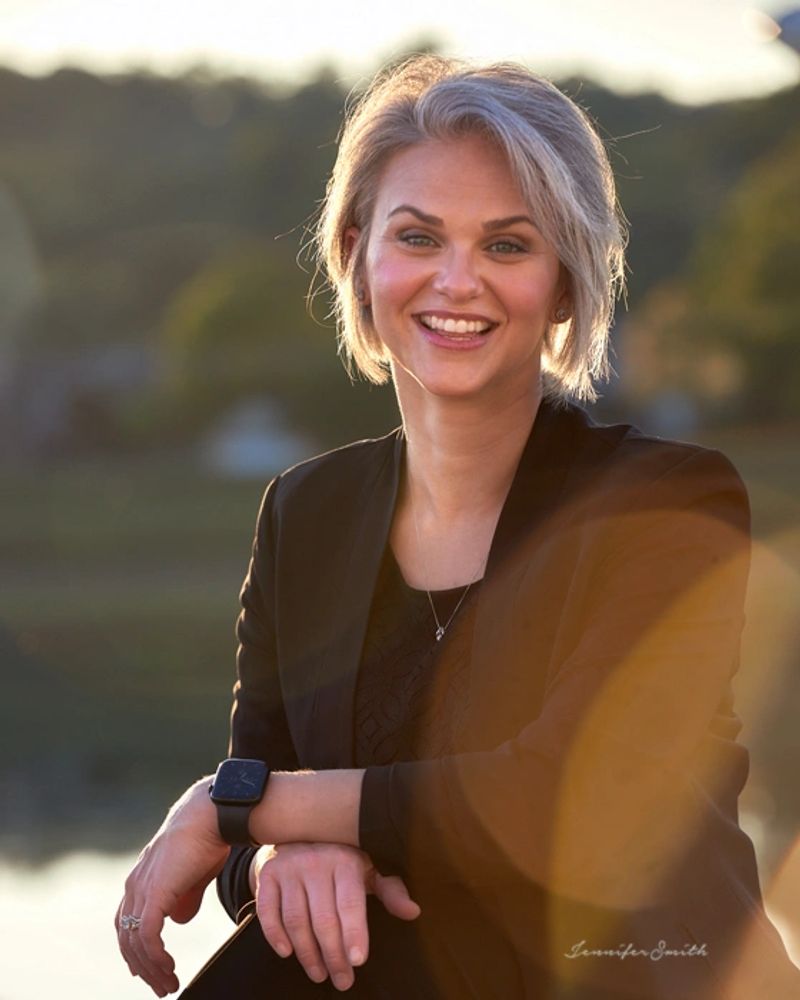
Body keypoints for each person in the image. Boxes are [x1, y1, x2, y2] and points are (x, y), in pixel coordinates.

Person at [115, 56, 800, 998]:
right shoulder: (303, 514)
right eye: (420, 236)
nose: (458, 280)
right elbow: (255, 797)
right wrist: (283, 857)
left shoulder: (671, 503)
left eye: (509, 246)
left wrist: (244, 811)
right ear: (357, 250)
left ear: (565, 281)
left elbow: (564, 798)